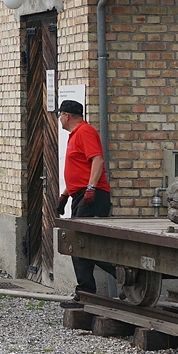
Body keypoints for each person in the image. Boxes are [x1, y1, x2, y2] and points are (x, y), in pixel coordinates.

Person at [56, 99, 114, 304]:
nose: (59, 119)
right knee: (80, 244)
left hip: (93, 197)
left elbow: (97, 160)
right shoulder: (75, 135)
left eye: (59, 115)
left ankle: (126, 273)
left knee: (82, 243)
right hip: (81, 195)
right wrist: (64, 195)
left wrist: (91, 189)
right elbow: (79, 171)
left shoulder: (85, 132)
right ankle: (86, 293)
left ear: (66, 116)